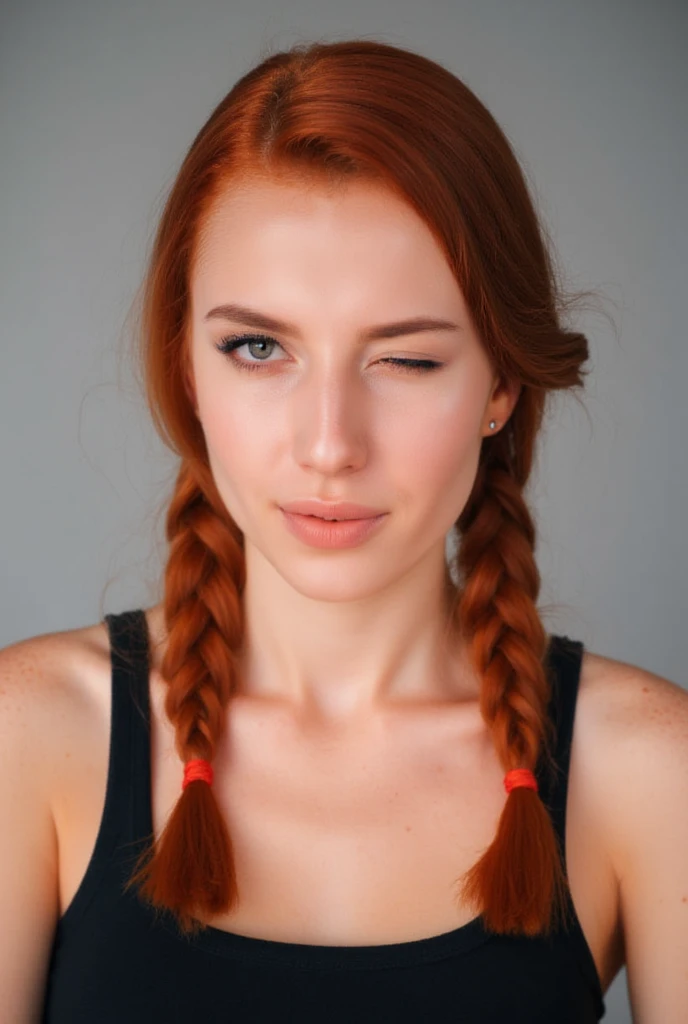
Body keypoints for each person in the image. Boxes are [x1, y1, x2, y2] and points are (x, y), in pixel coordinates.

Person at [1, 37, 686, 1024]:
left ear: (499, 382)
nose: (329, 444)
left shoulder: (650, 772)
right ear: (188, 368)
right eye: (258, 347)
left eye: (404, 360)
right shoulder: (25, 739)